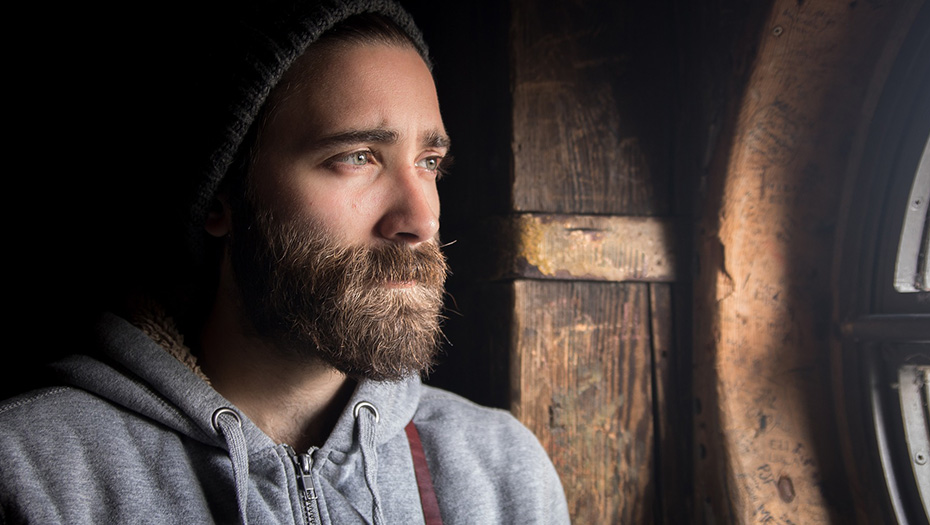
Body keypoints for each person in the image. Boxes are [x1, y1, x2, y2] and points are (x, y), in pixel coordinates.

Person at [0, 1, 570, 523]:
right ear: (223, 197)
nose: (421, 220)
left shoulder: (497, 474)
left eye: (428, 162)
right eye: (357, 157)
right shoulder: (33, 474)